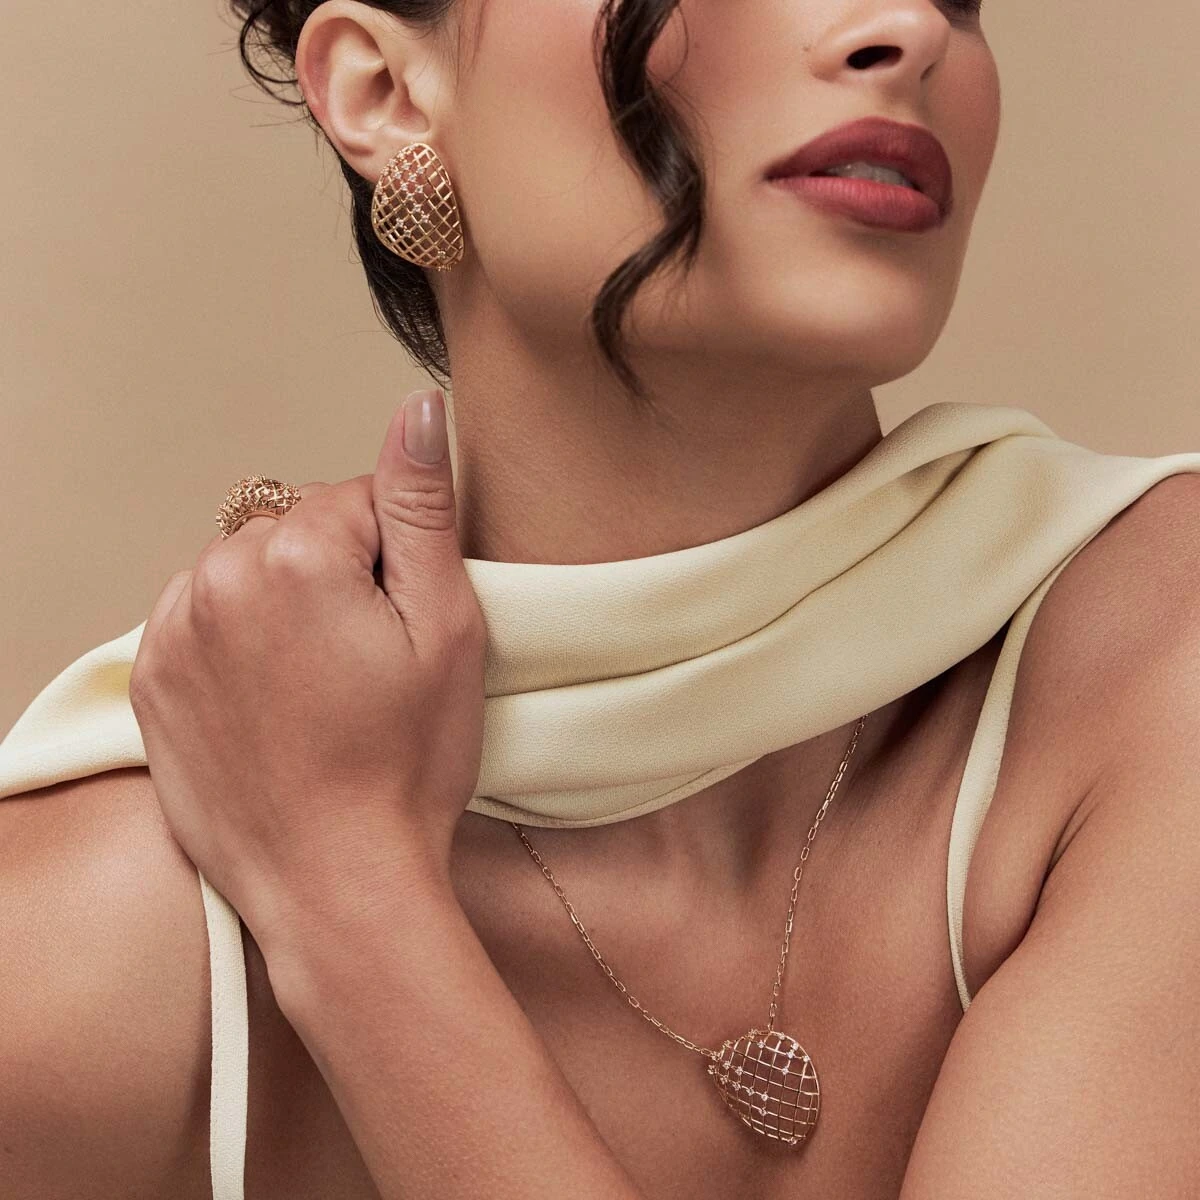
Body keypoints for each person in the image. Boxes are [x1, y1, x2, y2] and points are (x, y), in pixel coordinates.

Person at [2, 1, 1200, 1197]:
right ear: (386, 92)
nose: (905, 28)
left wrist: (349, 899)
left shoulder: (1149, 653)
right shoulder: (83, 952)